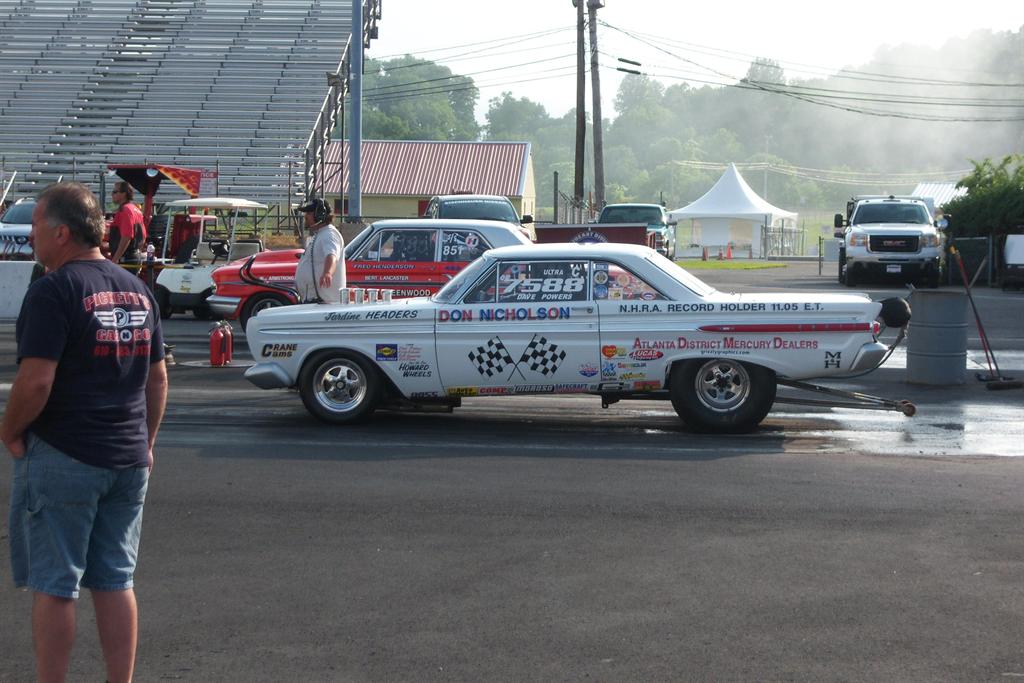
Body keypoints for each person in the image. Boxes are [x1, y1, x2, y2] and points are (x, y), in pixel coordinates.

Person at [1, 182, 168, 683]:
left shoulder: (53, 290)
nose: (30, 235)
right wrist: (146, 442)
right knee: (116, 579)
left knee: (56, 584)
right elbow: (158, 378)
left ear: (62, 233)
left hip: (66, 453)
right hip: (128, 458)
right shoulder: (136, 289)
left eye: (35, 225)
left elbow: (36, 381)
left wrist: (9, 430)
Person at [294, 197, 345, 303]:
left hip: (325, 303)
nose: (305, 216)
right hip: (317, 301)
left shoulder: (329, 234)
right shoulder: (321, 234)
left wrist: (327, 273)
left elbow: (332, 256)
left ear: (319, 215)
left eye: (309, 213)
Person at [108, 181, 146, 264]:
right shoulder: (135, 209)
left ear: (124, 194)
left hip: (125, 259)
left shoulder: (125, 210)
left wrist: (115, 259)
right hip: (134, 257)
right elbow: (143, 236)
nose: (112, 194)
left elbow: (126, 236)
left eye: (115, 192)